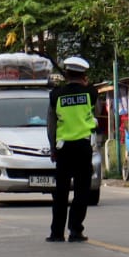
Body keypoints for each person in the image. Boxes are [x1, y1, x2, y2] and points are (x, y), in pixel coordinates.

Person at [46, 56, 98, 242]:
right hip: (83, 148)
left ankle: (56, 233)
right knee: (81, 191)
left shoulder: (55, 95)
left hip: (63, 149)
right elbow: (96, 114)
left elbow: (51, 125)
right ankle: (75, 231)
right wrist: (86, 84)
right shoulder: (91, 93)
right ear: (84, 75)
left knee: (61, 192)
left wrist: (52, 147)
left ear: (66, 74)